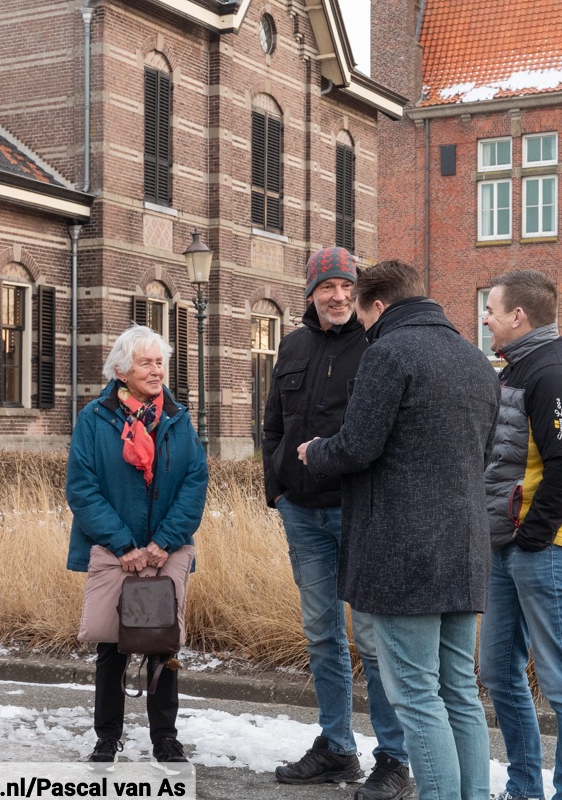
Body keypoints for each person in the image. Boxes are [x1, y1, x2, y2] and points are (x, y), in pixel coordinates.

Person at [298, 260, 500, 800]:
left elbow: (359, 445)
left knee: (415, 693)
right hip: (465, 547)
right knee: (459, 690)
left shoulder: (387, 353)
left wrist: (315, 452)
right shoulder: (475, 359)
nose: (361, 325)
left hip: (401, 551)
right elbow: (480, 454)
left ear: (379, 306)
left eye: (362, 312)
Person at [262, 248, 411, 798]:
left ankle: (393, 758)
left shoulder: (378, 345)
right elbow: (272, 422)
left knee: (374, 641)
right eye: (328, 287)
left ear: (360, 292)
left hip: (359, 512)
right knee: (322, 635)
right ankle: (337, 747)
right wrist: (275, 487)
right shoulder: (293, 345)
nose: (339, 296)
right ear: (312, 293)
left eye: (347, 287)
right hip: (302, 514)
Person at [65, 324, 208, 764]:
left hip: (165, 551)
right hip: (115, 553)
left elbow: (194, 481)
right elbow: (82, 488)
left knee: (162, 644)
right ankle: (106, 737)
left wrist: (164, 542)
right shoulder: (94, 418)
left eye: (160, 362)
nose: (155, 370)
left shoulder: (178, 419)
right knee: (112, 647)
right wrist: (124, 545)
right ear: (122, 369)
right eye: (146, 362)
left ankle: (165, 737)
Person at [479, 269, 562, 800]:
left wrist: (533, 534)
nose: (484, 318)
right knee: (498, 673)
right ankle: (525, 786)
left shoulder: (549, 371)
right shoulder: (515, 369)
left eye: (491, 309)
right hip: (505, 547)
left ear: (518, 316)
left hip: (540, 550)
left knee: (558, 683)